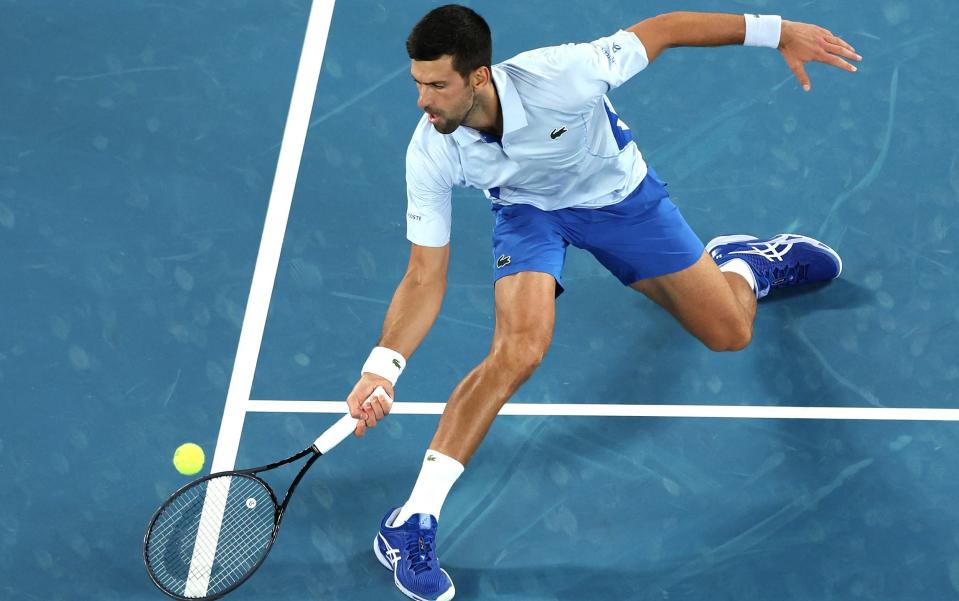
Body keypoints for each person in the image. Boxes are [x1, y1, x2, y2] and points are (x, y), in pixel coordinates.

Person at [345, 6, 860, 600]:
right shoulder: (433, 149)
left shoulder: (563, 74)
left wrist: (778, 33)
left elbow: (663, 31)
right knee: (519, 351)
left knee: (730, 333)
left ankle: (746, 264)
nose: (422, 102)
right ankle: (413, 520)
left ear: (479, 77)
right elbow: (423, 275)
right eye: (417, 83)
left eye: (437, 86)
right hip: (528, 214)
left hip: (622, 200)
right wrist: (382, 368)